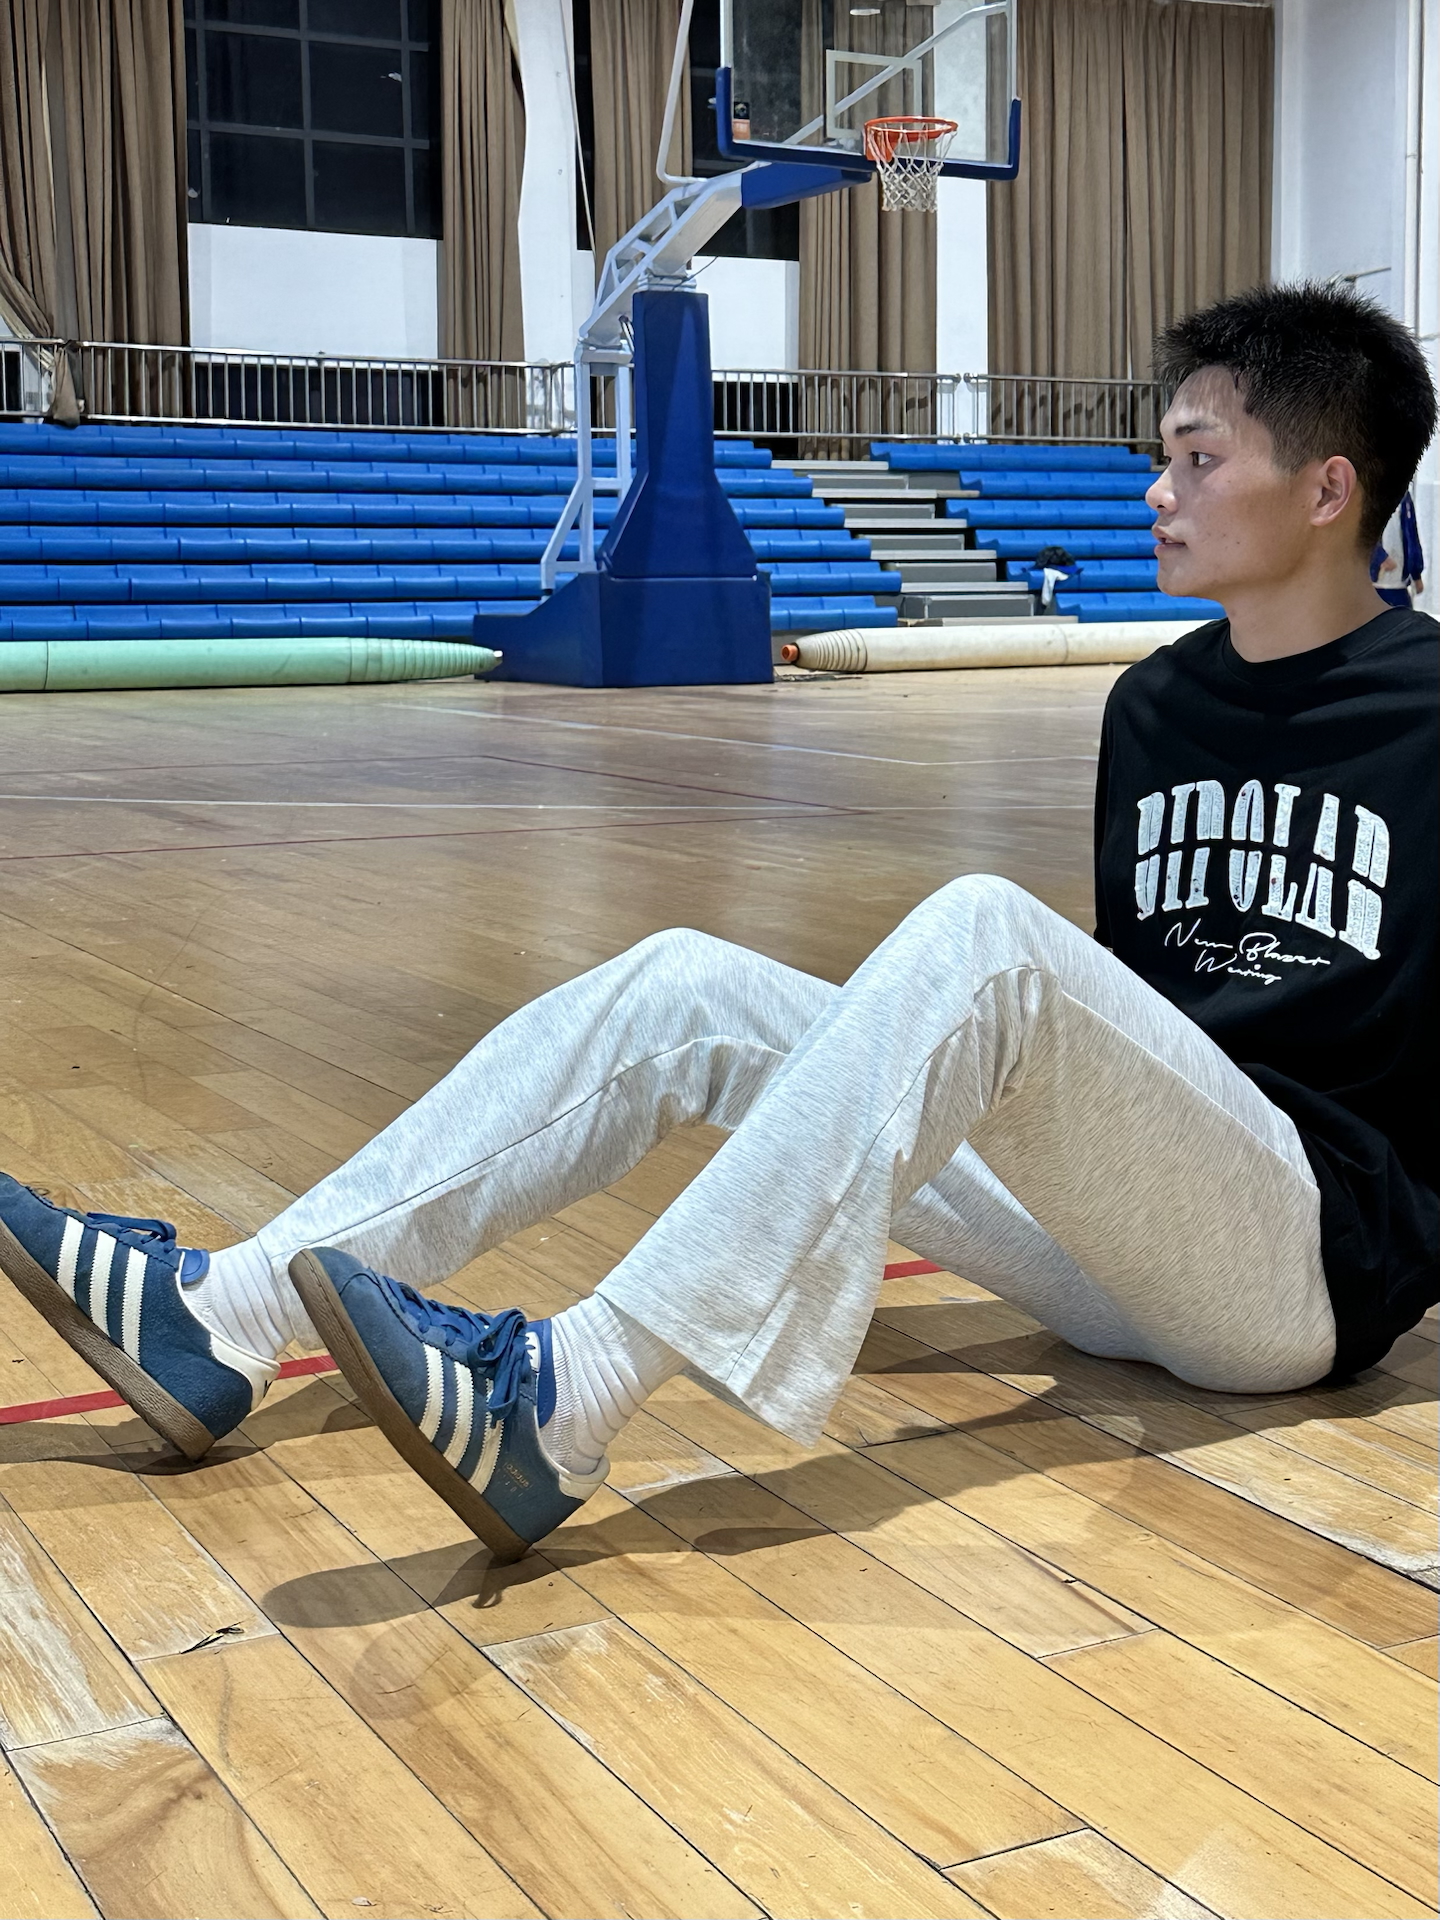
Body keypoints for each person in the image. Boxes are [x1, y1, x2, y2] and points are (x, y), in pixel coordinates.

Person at [1, 282, 1435, 1567]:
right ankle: (227, 1318)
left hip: (1302, 1267)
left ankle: (563, 1402)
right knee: (686, 985)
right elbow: (1148, 1006)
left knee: (988, 933)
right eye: (1161, 456)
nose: (1158, 492)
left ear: (1327, 489)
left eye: (1199, 459)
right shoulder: (1155, 703)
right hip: (1126, 1237)